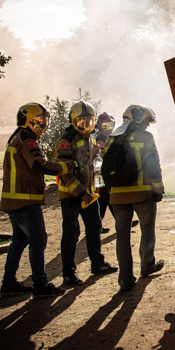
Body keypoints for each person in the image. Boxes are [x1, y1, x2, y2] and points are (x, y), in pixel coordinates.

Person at [0, 103, 76, 298]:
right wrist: (68, 166)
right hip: (25, 201)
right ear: (29, 119)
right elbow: (39, 165)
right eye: (40, 120)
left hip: (13, 200)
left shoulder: (17, 137)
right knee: (38, 239)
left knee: (19, 240)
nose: (43, 125)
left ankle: (8, 282)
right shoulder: (27, 140)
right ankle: (40, 284)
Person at [54, 101, 117, 286]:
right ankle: (68, 273)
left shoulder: (89, 138)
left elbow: (92, 166)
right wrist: (82, 193)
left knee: (94, 227)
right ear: (72, 120)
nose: (85, 125)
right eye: (81, 121)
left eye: (89, 121)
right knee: (71, 233)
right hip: (71, 195)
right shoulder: (66, 141)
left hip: (89, 194)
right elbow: (65, 173)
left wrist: (96, 187)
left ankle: (97, 264)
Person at [107, 104, 165, 292]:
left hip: (117, 198)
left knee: (122, 237)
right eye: (147, 121)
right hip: (143, 195)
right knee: (147, 231)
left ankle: (125, 279)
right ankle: (147, 266)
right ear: (140, 119)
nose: (148, 125)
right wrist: (158, 190)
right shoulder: (146, 137)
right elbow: (154, 166)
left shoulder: (113, 137)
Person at [94, 111, 116, 233]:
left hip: (103, 173)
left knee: (105, 199)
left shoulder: (108, 137)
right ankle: (97, 226)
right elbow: (102, 156)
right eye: (106, 125)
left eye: (111, 125)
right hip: (100, 173)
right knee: (104, 199)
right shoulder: (100, 138)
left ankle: (98, 226)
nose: (109, 128)